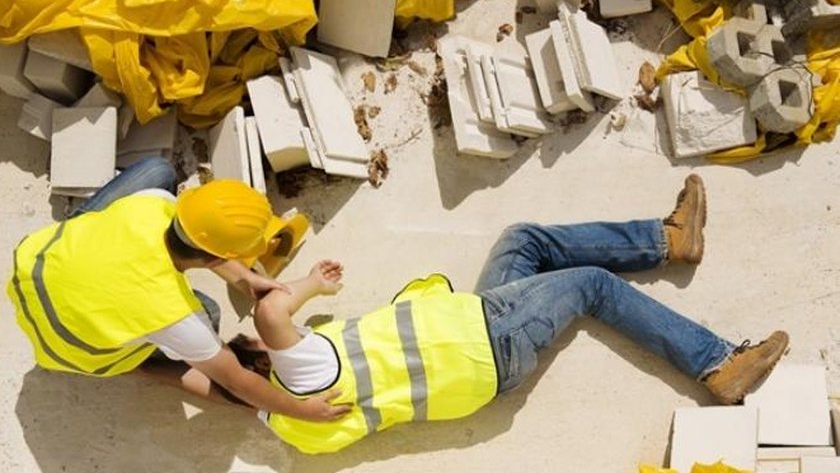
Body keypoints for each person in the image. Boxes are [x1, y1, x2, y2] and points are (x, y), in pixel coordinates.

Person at [250, 174, 789, 454]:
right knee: (592, 286)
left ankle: (670, 240)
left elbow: (230, 382)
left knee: (522, 241)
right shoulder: (306, 370)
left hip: (477, 348)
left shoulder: (293, 428)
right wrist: (310, 285)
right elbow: (271, 310)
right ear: (263, 360)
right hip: (487, 339)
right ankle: (717, 364)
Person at [7, 157, 349, 422]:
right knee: (210, 316)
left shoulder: (152, 204)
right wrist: (303, 411)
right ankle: (135, 365)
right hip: (70, 348)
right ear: (218, 257)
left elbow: (200, 242)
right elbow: (236, 382)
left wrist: (246, 279)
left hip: (34, 268)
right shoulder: (176, 316)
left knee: (157, 170)